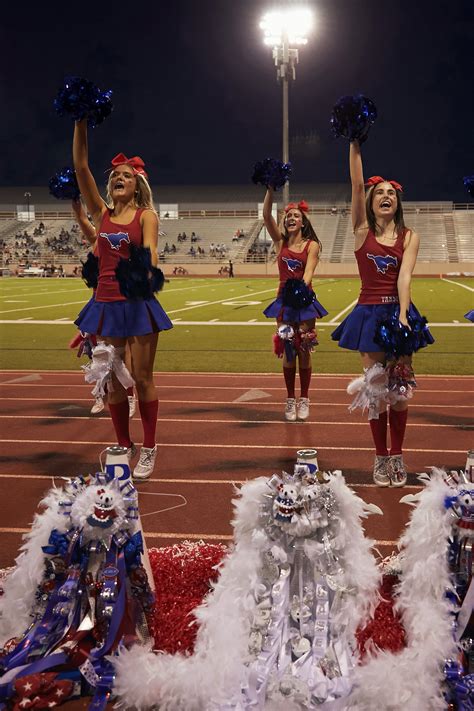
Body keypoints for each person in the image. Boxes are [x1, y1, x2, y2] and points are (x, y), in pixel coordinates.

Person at [72, 120, 172, 480]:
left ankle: (149, 447)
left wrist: (144, 275)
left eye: (126, 175)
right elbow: (81, 167)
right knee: (112, 380)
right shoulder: (102, 214)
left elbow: (151, 254)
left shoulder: (146, 215)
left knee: (142, 378)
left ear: (137, 185)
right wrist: (80, 121)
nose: (119, 177)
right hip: (106, 304)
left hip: (137, 303)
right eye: (115, 174)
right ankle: (122, 445)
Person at [331, 140, 434, 487]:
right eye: (380, 193)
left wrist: (404, 315)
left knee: (400, 392)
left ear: (398, 201)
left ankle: (398, 456)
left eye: (392, 192)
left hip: (398, 314)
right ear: (372, 202)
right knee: (376, 393)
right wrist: (354, 141)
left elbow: (404, 277)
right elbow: (356, 185)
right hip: (369, 316)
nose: (386, 196)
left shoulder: (410, 236)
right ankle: (380, 457)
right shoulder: (362, 231)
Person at [262, 188, 327, 422]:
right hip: (283, 304)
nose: (291, 218)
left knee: (304, 350)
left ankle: (305, 398)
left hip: (305, 302)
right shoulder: (280, 243)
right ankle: (290, 399)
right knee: (288, 349)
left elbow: (309, 272)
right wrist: (270, 189)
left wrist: (300, 289)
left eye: (296, 216)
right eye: (288, 216)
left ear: (303, 222)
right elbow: (266, 216)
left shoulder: (312, 245)